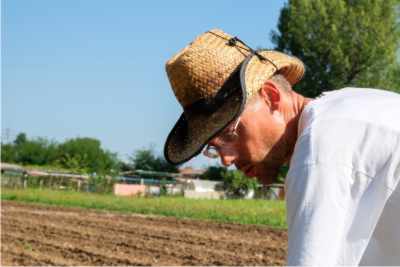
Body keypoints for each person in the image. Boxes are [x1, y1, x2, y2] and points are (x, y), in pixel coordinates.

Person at [164, 28, 400, 265]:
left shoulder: (320, 150)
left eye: (228, 134)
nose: (226, 159)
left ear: (270, 96)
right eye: (213, 148)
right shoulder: (350, 106)